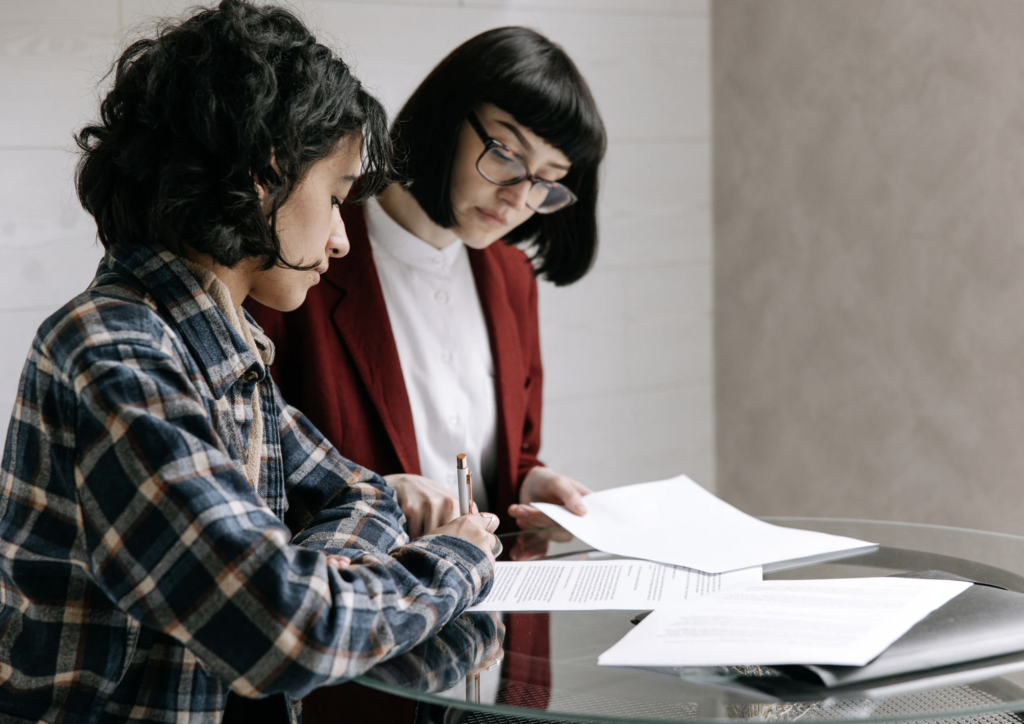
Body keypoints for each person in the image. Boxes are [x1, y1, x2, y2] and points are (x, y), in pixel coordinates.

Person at [0, 3, 500, 722]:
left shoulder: (227, 348)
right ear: (267, 177)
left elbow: (365, 497)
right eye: (334, 199)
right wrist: (453, 560)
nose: (341, 241)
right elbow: (290, 633)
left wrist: (311, 571)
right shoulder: (114, 354)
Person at [247, 25, 606, 722]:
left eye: (548, 184)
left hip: (491, 641)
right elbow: (260, 470)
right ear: (448, 116)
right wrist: (387, 499)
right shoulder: (311, 255)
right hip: (364, 655)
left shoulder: (511, 275)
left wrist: (532, 479)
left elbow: (502, 446)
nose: (519, 198)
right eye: (506, 154)